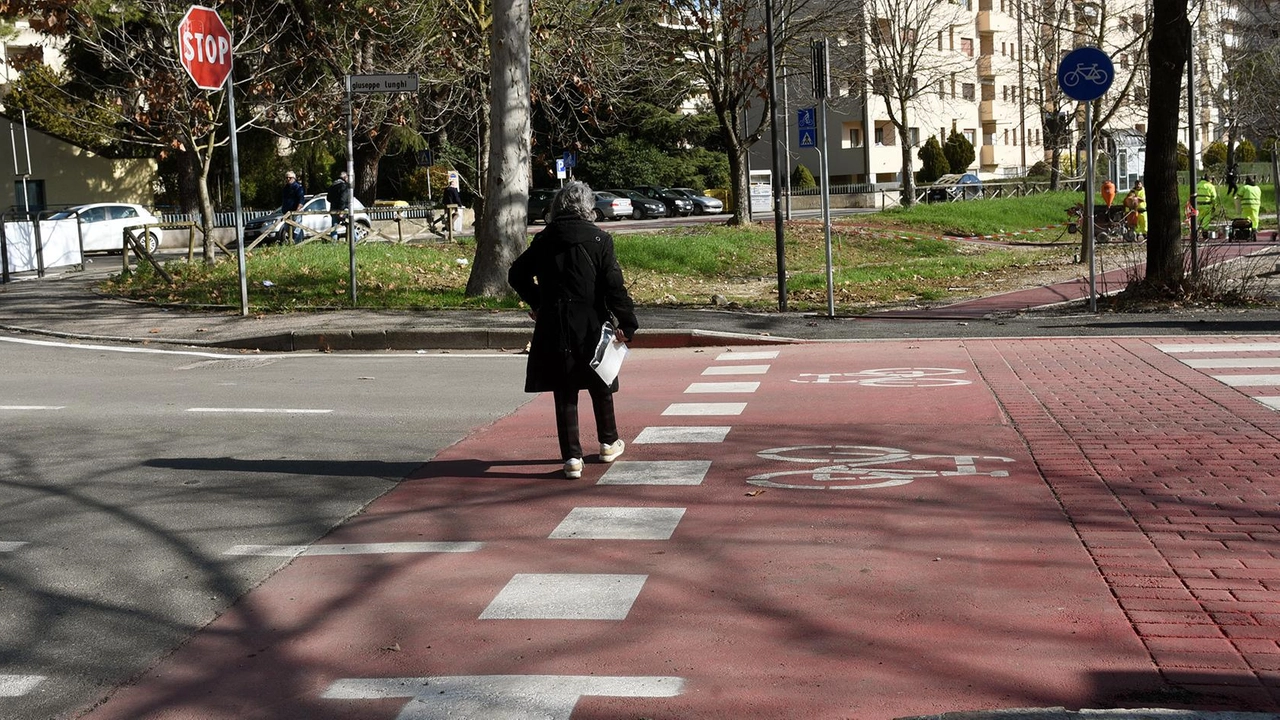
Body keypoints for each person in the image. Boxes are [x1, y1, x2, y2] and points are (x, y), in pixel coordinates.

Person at [507, 181, 639, 480]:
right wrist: (627, 323)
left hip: (554, 321)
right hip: (592, 319)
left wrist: (539, 302)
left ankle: (572, 458)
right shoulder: (599, 239)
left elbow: (516, 274)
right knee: (601, 380)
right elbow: (613, 285)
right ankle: (608, 442)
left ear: (557, 207)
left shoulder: (544, 239)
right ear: (588, 206)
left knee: (564, 390)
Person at [281, 170, 306, 242]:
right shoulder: (285, 188)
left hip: (295, 212)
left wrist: (297, 210)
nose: (288, 179)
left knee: (296, 229)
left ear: (294, 178)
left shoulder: (298, 187)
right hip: (287, 212)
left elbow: (301, 199)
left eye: (290, 178)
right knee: (287, 228)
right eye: (286, 178)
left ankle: (298, 243)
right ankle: (292, 243)